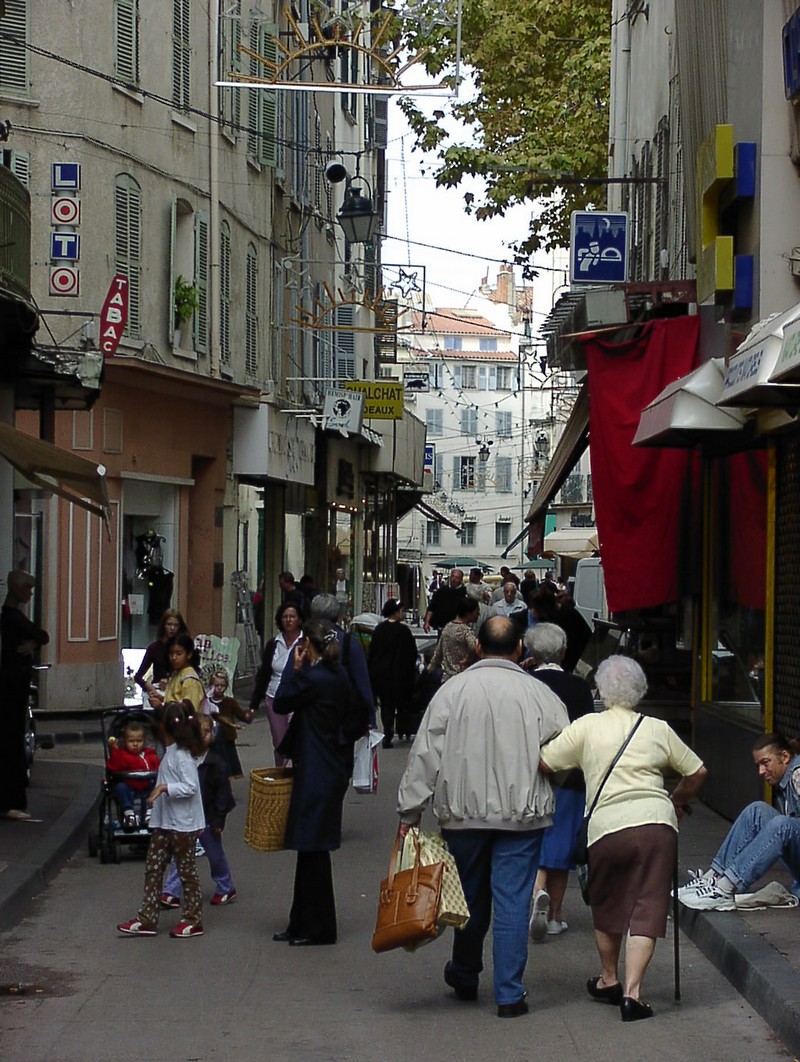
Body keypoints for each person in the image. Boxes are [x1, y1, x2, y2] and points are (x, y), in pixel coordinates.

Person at [397, 616, 569, 1017]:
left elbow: (425, 754)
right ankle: (509, 993)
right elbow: (564, 751)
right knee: (513, 900)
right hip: (523, 815)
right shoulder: (541, 696)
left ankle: (465, 972)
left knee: (469, 895)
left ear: (478, 647)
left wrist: (410, 812)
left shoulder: (452, 691)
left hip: (463, 814)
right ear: (520, 649)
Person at [539, 655, 707, 1022]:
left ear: (600, 690)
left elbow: (545, 762)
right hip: (656, 825)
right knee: (648, 906)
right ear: (640, 691)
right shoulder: (657, 728)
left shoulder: (587, 727)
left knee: (607, 903)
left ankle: (608, 979)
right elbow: (697, 771)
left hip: (607, 827)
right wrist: (676, 800)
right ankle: (633, 995)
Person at [271, 620, 354, 946]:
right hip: (328, 765)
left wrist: (294, 669)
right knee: (310, 850)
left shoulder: (315, 678)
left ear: (309, 646)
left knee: (313, 850)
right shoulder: (337, 674)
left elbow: (281, 702)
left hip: (316, 769)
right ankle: (302, 922)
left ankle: (318, 927)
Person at [524, 624, 594, 941]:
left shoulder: (525, 684)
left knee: (533, 837)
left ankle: (537, 890)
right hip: (570, 774)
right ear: (564, 652)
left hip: (529, 773)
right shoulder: (579, 687)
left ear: (532, 651)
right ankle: (555, 916)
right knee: (562, 841)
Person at [678, 732, 800, 910]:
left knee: (782, 825)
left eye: (766, 763)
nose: (761, 771)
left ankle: (725, 889)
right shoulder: (787, 778)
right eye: (758, 765)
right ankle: (713, 878)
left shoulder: (797, 775)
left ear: (785, 757)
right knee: (757, 811)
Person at [117, 700, 206, 938]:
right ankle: (147, 917)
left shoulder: (182, 756)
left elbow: (190, 787)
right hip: (165, 822)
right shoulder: (171, 752)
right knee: (153, 868)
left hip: (183, 825)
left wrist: (164, 788)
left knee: (186, 871)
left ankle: (193, 919)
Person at [161, 714, 237, 909]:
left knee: (214, 854)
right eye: (200, 731)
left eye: (208, 731)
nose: (205, 735)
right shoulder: (182, 758)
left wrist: (219, 820)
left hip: (208, 816)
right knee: (181, 853)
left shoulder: (216, 763)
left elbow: (223, 794)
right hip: (186, 816)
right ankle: (171, 890)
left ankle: (226, 886)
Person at [0, 569, 49, 820]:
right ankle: (12, 801)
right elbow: (42, 635)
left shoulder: (10, 617)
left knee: (12, 742)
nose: (30, 594)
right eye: (28, 589)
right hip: (12, 688)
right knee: (12, 743)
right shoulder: (13, 618)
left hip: (12, 687)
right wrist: (34, 643)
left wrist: (33, 643)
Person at [309, 593, 375, 730]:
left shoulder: (304, 641)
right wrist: (370, 717)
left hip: (310, 714)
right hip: (342, 716)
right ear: (338, 615)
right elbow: (362, 682)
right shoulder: (349, 643)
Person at [250, 601, 305, 766]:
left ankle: (296, 773)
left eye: (292, 617)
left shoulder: (306, 642)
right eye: (285, 617)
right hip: (274, 697)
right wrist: (254, 704)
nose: (288, 620)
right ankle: (282, 773)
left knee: (298, 740)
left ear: (299, 620)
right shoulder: (273, 643)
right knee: (279, 742)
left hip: (298, 699)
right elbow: (264, 674)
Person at [367, 598, 418, 749]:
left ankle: (387, 732)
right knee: (401, 704)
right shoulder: (403, 631)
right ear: (395, 612)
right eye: (402, 611)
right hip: (400, 674)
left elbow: (373, 652)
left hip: (382, 674)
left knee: (386, 705)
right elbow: (411, 653)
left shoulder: (379, 629)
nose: (403, 613)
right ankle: (401, 728)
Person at [107, 719, 160, 831]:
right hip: (130, 787)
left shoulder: (150, 755)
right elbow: (114, 766)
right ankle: (129, 814)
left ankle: (150, 814)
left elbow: (158, 768)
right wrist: (115, 751)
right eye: (131, 741)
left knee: (158, 786)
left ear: (144, 741)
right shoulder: (122, 755)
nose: (135, 744)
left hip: (147, 786)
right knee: (120, 787)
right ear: (125, 741)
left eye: (139, 741)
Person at [206, 669, 253, 779]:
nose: (219, 688)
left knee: (228, 762)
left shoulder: (230, 702)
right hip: (212, 739)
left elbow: (242, 715)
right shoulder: (207, 702)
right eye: (216, 685)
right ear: (211, 686)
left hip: (227, 739)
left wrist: (249, 715)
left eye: (222, 685)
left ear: (227, 686)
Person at [134, 608, 189, 700]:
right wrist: (148, 685)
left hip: (178, 693)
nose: (172, 628)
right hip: (158, 691)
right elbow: (138, 677)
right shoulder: (154, 648)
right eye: (169, 624)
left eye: (176, 625)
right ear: (163, 625)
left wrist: (170, 680)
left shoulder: (184, 648)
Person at [149, 634, 204, 716]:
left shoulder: (190, 680)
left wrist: (160, 706)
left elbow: (189, 712)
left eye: (179, 653)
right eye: (171, 653)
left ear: (189, 654)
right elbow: (176, 701)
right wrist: (162, 699)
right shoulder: (176, 673)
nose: (174, 658)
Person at [428, 597, 480, 683]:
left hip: (447, 678)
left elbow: (438, 652)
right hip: (462, 676)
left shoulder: (447, 627)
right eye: (477, 612)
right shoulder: (465, 631)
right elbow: (473, 647)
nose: (478, 615)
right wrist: (468, 659)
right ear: (469, 613)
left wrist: (431, 667)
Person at [423, 568, 467, 634]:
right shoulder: (441, 591)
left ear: (461, 579)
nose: (454, 579)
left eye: (457, 577)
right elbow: (431, 608)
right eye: (452, 576)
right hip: (442, 626)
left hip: (458, 628)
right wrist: (427, 622)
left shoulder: (464, 593)